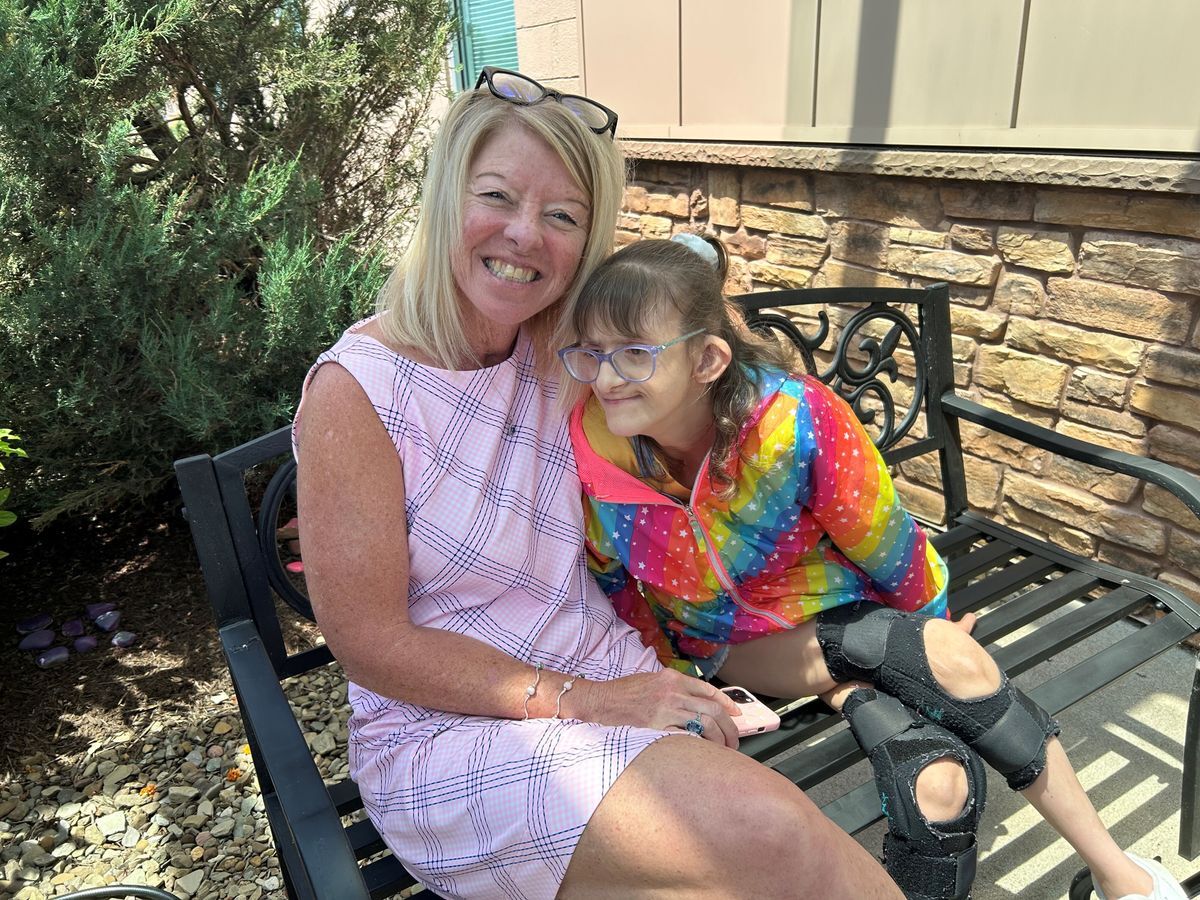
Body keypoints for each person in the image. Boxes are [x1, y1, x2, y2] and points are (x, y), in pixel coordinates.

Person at [294, 67, 908, 900]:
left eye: (562, 217)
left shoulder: (570, 351)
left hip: (618, 669)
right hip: (453, 733)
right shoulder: (357, 393)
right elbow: (367, 643)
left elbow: (702, 374)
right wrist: (586, 702)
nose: (524, 235)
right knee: (769, 836)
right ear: (445, 198)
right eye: (498, 197)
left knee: (735, 870)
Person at [557, 233, 1188, 900]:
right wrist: (673, 684)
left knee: (938, 785)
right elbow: (616, 588)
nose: (603, 378)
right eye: (592, 353)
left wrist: (925, 627)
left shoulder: (792, 421)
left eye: (632, 355)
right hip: (730, 651)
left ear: (709, 359)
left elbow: (883, 538)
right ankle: (1128, 881)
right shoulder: (595, 464)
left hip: (839, 613)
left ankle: (1121, 880)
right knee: (945, 657)